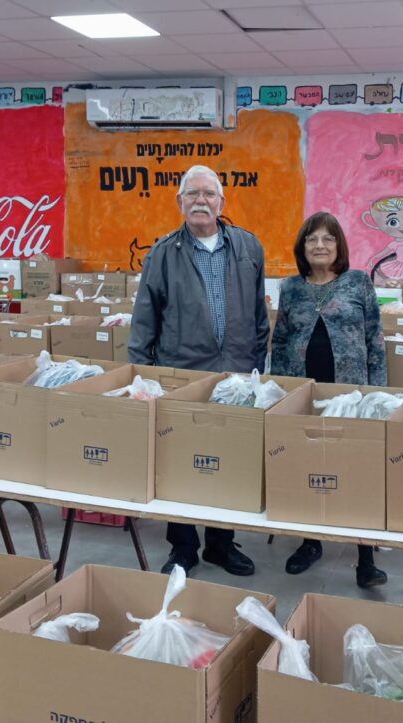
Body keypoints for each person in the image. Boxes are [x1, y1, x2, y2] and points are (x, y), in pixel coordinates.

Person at [128, 164, 268, 577]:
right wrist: (143, 378)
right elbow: (143, 322)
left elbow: (259, 315)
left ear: (222, 203)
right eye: (192, 194)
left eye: (208, 194)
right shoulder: (163, 253)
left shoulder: (248, 248)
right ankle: (184, 547)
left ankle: (221, 545)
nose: (201, 201)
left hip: (237, 377)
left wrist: (258, 368)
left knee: (228, 462)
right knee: (181, 463)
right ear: (179, 202)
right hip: (182, 376)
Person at [271, 211, 389, 588]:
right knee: (311, 465)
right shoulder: (290, 288)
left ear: (338, 246)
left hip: (351, 393)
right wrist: (282, 393)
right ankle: (310, 543)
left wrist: (377, 393)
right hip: (305, 393)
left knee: (356, 468)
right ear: (302, 248)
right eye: (312, 239)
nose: (319, 245)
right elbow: (280, 339)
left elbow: (375, 338)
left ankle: (365, 557)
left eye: (328, 239)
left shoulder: (357, 282)